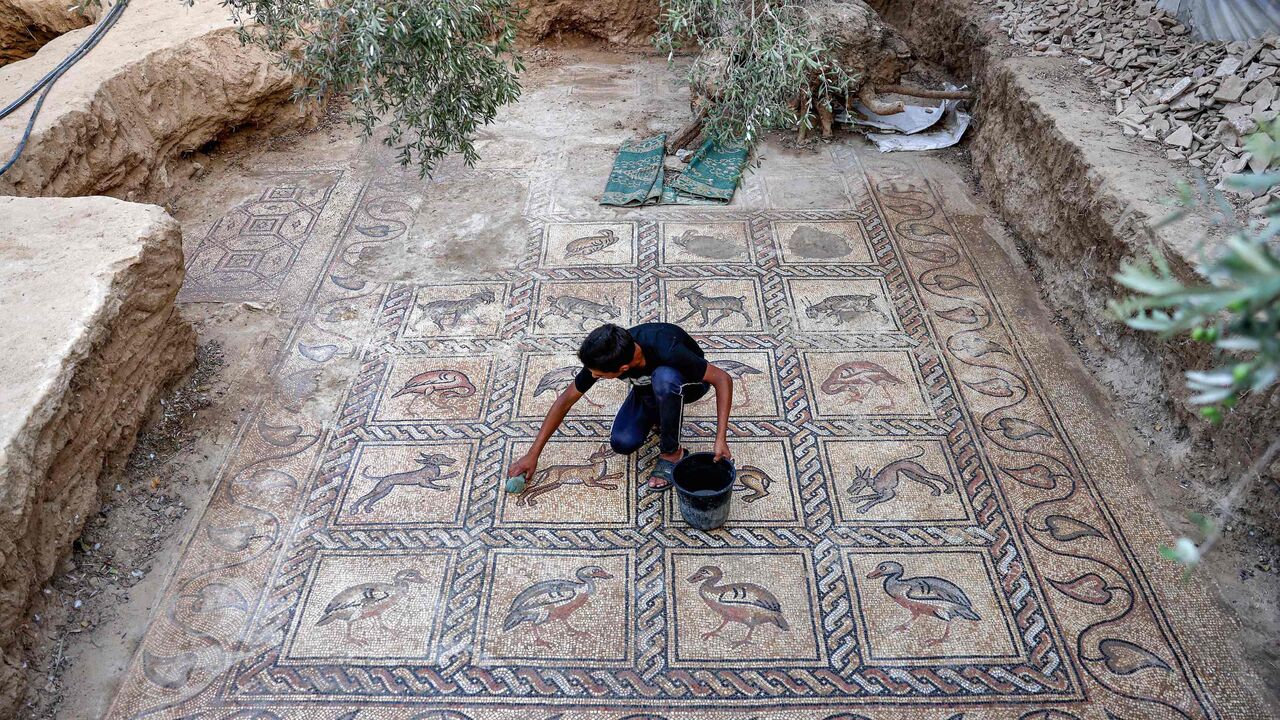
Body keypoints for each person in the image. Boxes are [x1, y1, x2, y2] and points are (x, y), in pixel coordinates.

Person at [507, 322, 734, 490]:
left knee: (665, 379)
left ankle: (672, 454)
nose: (594, 376)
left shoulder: (668, 350)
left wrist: (720, 438)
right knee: (622, 442)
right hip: (646, 388)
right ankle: (659, 411)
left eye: (599, 375)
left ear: (624, 368)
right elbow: (565, 400)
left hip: (688, 384)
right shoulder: (610, 352)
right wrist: (532, 454)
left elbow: (722, 379)